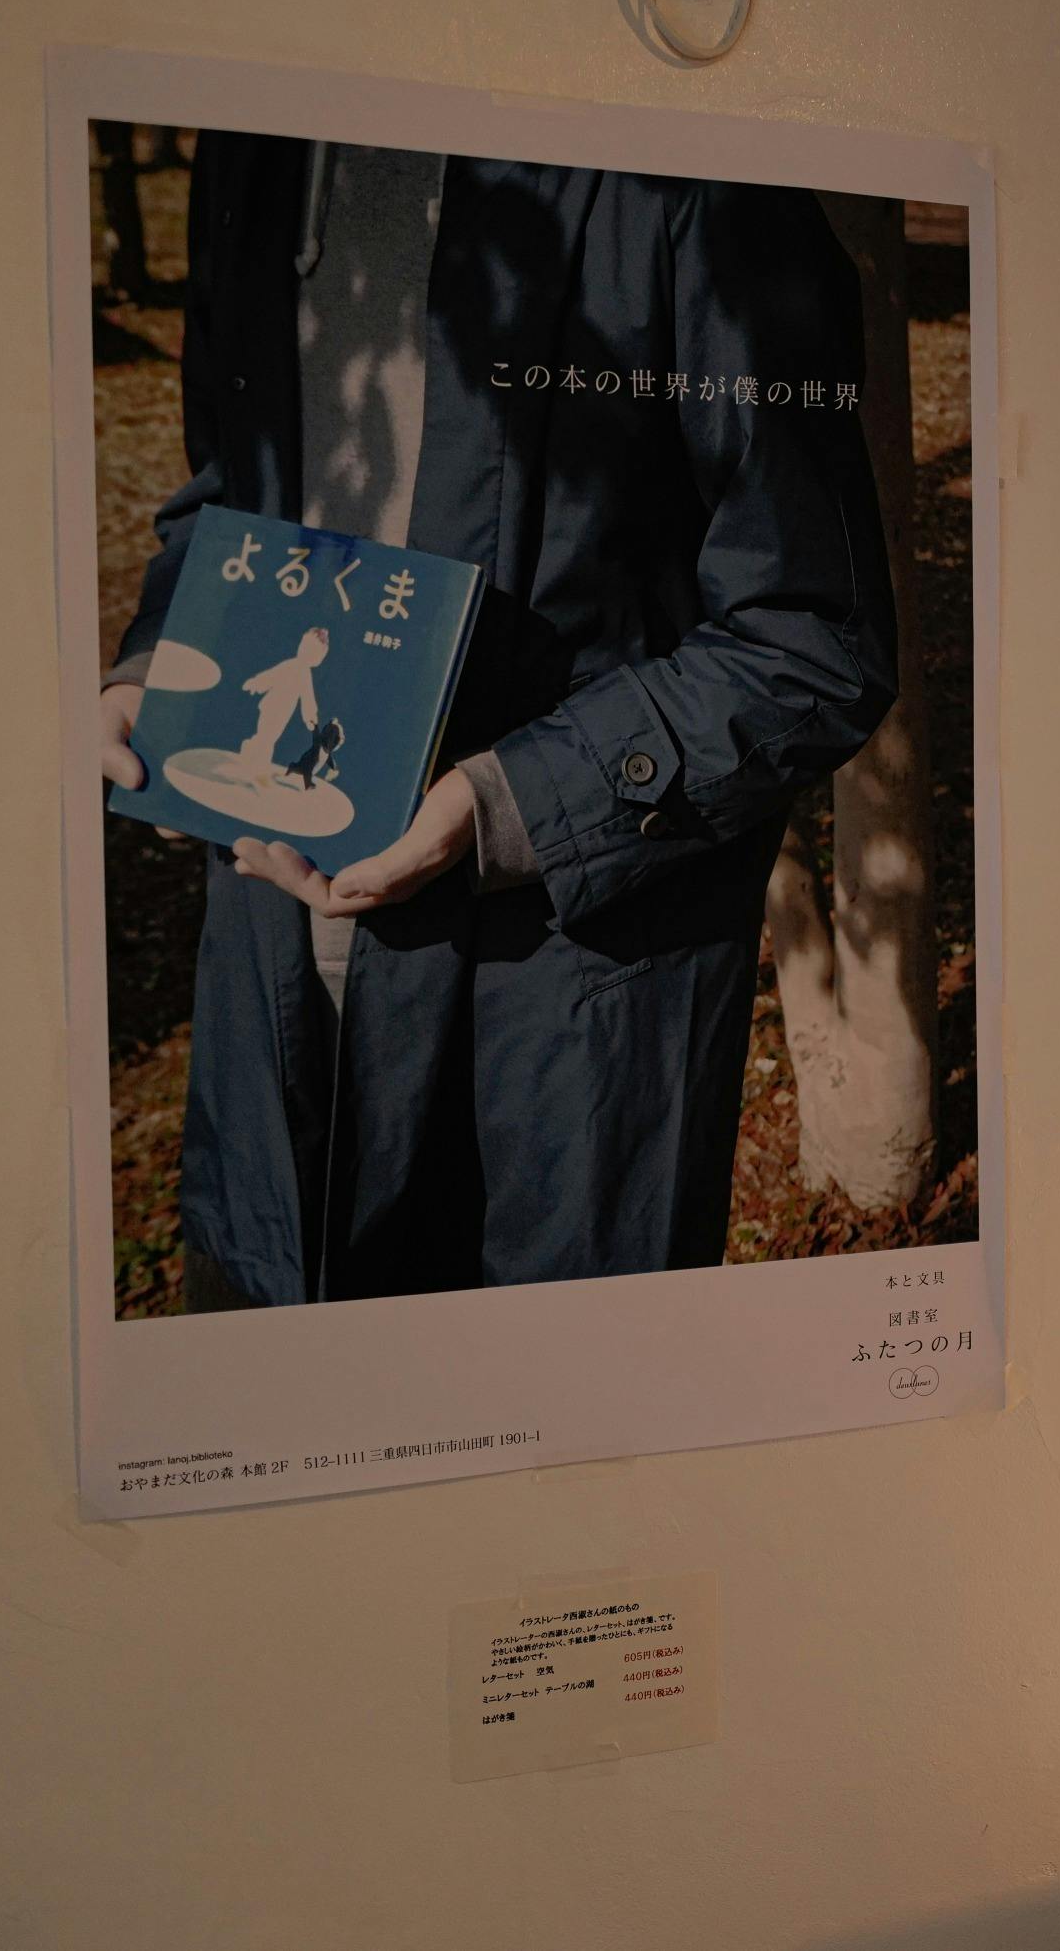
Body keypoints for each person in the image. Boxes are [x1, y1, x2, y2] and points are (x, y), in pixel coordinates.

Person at [100, 137, 897, 1311]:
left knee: (551, 1425)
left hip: (565, 1021)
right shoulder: (253, 145)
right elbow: (228, 484)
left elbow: (813, 632)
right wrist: (161, 665)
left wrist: (510, 805)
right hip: (270, 1001)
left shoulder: (688, 173)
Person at [236, 627, 329, 781]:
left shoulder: (304, 674)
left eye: (312, 651)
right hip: (271, 707)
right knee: (267, 738)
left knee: (268, 737)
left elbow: (307, 698)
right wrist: (256, 683)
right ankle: (259, 768)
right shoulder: (291, 666)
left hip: (283, 712)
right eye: (305, 646)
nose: (306, 652)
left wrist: (310, 717)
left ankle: (251, 750)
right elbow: (271, 676)